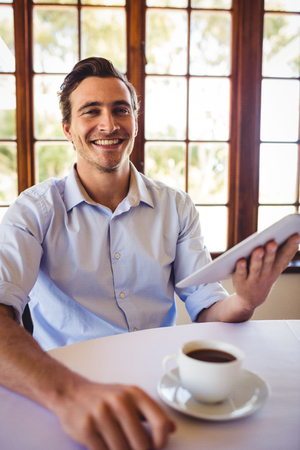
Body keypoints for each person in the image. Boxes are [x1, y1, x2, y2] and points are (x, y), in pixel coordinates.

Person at [0, 57, 298, 450]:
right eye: (92, 112)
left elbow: (207, 310)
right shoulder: (33, 210)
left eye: (120, 110)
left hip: (167, 385)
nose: (109, 124)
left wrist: (245, 299)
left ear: (135, 123)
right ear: (68, 130)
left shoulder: (177, 206)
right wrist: (69, 395)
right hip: (66, 391)